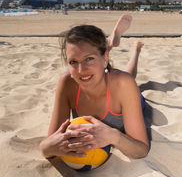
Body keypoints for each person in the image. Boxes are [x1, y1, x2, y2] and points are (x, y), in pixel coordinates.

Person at [40, 14, 149, 162]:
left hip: (129, 94)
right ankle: (106, 44)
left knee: (129, 77)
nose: (80, 70)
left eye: (89, 59)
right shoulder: (67, 82)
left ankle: (135, 50)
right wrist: (46, 148)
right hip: (105, 70)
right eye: (73, 61)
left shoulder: (123, 84)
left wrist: (114, 136)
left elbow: (141, 150)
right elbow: (50, 142)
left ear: (105, 59)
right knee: (113, 75)